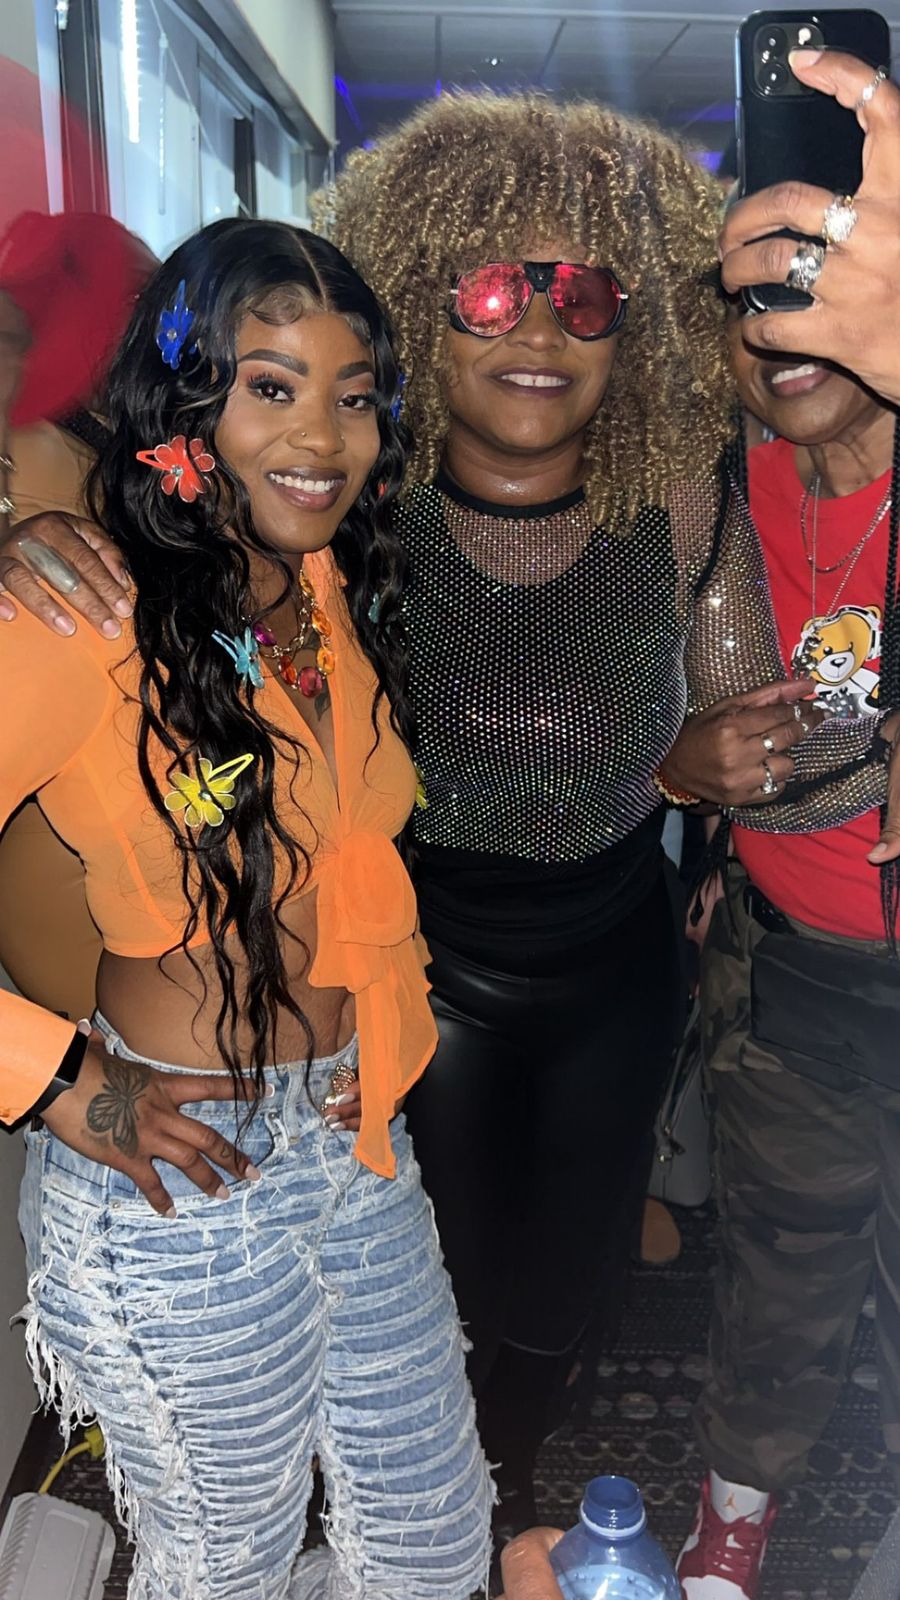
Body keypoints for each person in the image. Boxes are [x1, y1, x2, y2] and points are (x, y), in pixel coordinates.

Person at [1, 94, 891, 1546]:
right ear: (427, 304)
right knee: (369, 1365)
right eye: (489, 290)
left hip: (575, 972)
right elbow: (142, 539)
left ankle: (484, 1494)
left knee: (547, 1306)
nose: (538, 327)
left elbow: (778, 740)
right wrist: (28, 531)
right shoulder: (331, 528)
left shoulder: (577, 522)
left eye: (582, 292)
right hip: (391, 995)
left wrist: (766, 762)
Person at [1, 217, 492, 1600]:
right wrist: (60, 1082)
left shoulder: (334, 591)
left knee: (433, 1547)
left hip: (352, 1137)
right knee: (227, 1566)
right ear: (188, 402)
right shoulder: (81, 615)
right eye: (272, 386)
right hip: (176, 1175)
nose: (323, 437)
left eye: (354, 394)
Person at [0, 210, 154, 1021]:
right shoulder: (31, 444)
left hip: (129, 830)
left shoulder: (120, 440)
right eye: (140, 299)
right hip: (61, 854)